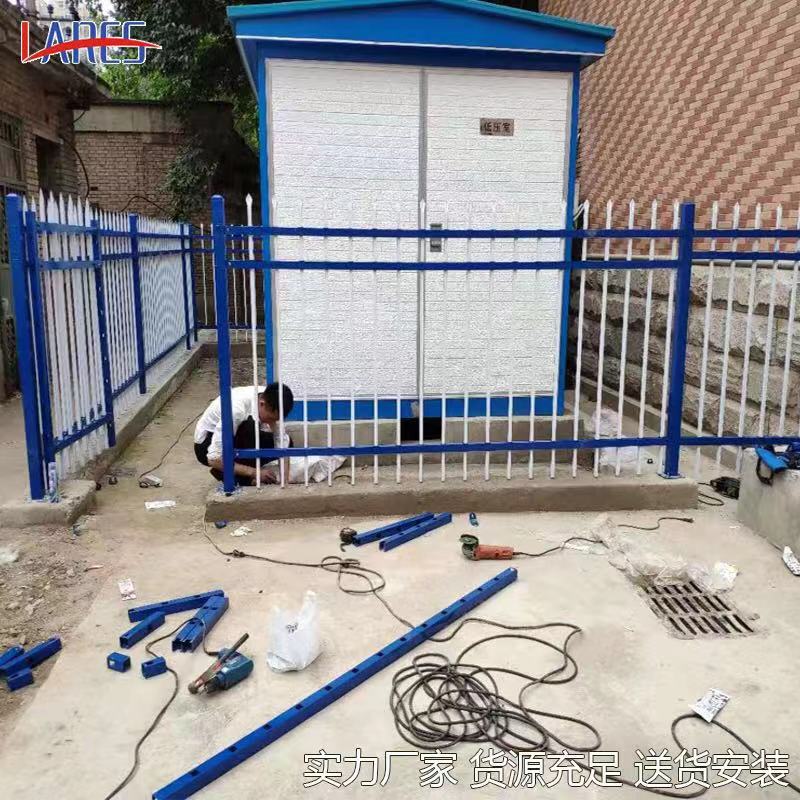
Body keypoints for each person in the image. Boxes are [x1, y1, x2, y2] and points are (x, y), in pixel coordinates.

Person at [194, 383, 294, 486]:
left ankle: (237, 472)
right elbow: (213, 459)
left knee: (287, 442)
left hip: (234, 435)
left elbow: (282, 443)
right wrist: (255, 472)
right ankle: (229, 473)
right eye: (270, 418)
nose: (272, 423)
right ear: (262, 404)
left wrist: (284, 480)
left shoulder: (269, 397)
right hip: (206, 445)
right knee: (250, 428)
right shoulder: (236, 410)